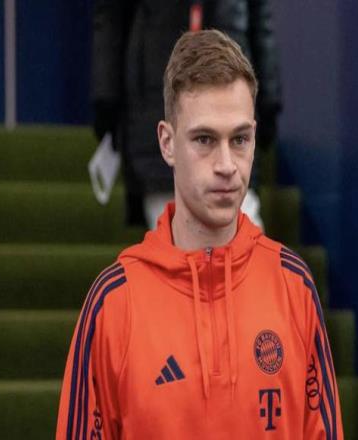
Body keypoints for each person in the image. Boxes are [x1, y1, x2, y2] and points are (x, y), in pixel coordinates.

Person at [57, 30, 343, 439]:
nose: (226, 164)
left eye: (239, 139)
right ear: (167, 143)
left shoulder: (292, 285)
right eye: (205, 140)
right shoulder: (114, 303)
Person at [92, 0, 281, 229]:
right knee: (175, 227)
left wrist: (269, 100)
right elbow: (111, 17)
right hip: (157, 101)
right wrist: (106, 98)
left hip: (230, 95)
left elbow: (260, 19)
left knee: (241, 229)